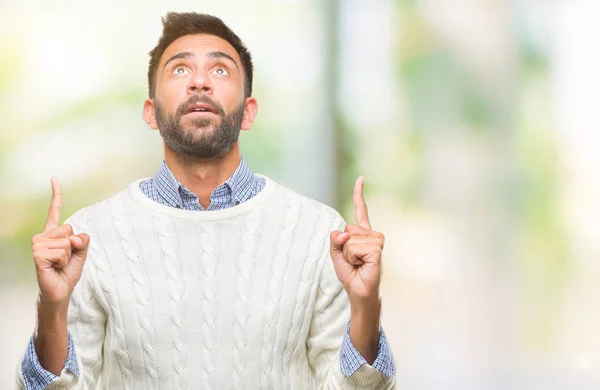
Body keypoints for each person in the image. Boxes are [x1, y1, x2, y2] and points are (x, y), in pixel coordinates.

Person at [16, 12, 396, 389]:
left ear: (248, 112)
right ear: (151, 113)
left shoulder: (319, 232)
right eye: (180, 70)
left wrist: (367, 304)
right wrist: (51, 307)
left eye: (219, 70)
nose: (199, 81)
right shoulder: (88, 237)